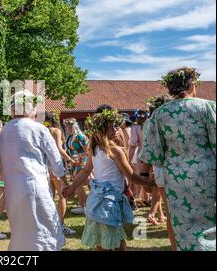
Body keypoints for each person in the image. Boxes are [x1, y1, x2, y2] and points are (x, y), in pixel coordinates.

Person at [139, 67, 216, 251]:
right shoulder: (207, 107)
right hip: (208, 176)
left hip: (176, 179)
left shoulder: (159, 114)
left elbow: (151, 152)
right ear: (193, 85)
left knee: (183, 227)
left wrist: (143, 177)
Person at [63, 109, 155, 251]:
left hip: (96, 200)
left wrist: (73, 187)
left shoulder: (94, 149)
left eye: (115, 126)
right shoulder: (114, 151)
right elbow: (130, 176)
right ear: (101, 130)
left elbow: (85, 171)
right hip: (108, 202)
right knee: (116, 242)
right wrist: (148, 182)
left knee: (101, 241)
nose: (115, 129)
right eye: (111, 127)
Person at [0, 91, 68, 251]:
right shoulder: (39, 129)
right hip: (35, 188)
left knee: (21, 232)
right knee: (44, 232)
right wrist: (65, 182)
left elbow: (1, 166)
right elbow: (56, 160)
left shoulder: (3, 132)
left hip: (12, 191)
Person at [145, 94, 176, 250]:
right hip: (172, 167)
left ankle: (175, 245)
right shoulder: (173, 119)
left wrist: (148, 171)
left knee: (171, 210)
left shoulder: (149, 123)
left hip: (159, 168)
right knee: (173, 211)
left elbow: (148, 151)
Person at [45, 113, 77, 236]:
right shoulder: (55, 131)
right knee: (63, 196)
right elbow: (59, 149)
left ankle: (50, 225)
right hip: (56, 166)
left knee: (50, 197)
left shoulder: (42, 130)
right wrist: (70, 160)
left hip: (46, 167)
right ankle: (60, 226)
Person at [63, 117, 89, 216]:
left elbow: (87, 149)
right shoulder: (69, 136)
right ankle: (83, 204)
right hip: (74, 161)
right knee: (81, 183)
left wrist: (80, 159)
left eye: (69, 126)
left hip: (82, 161)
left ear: (74, 126)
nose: (67, 128)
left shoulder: (80, 136)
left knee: (78, 183)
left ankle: (84, 206)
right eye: (66, 127)